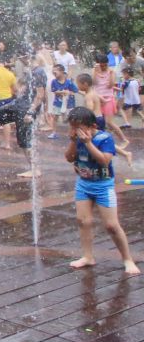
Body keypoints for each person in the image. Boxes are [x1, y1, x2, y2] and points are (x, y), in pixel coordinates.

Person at [65, 107, 139, 275]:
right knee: (83, 221)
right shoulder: (76, 138)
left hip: (103, 186)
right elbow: (69, 158)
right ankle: (88, 256)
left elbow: (104, 161)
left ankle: (128, 259)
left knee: (112, 225)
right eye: (72, 127)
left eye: (78, 127)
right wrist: (72, 142)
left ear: (91, 126)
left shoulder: (105, 138)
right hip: (83, 185)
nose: (74, 131)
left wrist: (88, 143)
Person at [76, 73, 133, 167]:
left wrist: (83, 118)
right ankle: (121, 154)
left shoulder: (88, 96)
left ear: (85, 84)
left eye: (78, 84)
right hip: (100, 118)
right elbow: (102, 101)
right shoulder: (93, 92)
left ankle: (123, 154)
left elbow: (89, 110)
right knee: (102, 139)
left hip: (94, 121)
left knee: (98, 139)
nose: (77, 86)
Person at [48, 64, 77, 138]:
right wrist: (61, 92)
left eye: (55, 71)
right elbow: (54, 91)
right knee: (55, 117)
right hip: (58, 103)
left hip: (69, 103)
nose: (53, 72)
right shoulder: (54, 81)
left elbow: (74, 91)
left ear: (62, 72)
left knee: (70, 118)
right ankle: (54, 132)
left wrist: (68, 92)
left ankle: (71, 132)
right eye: (53, 71)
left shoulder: (69, 82)